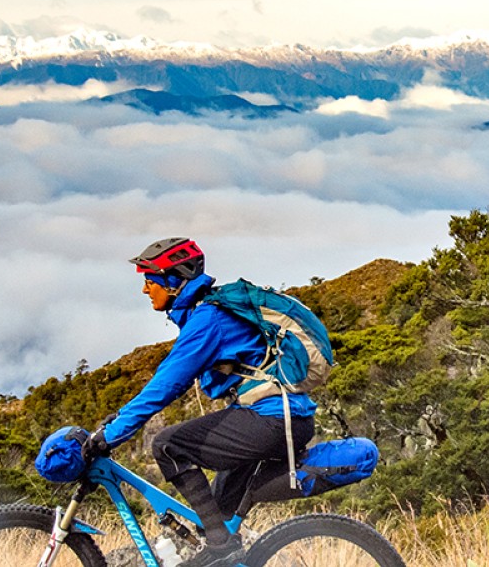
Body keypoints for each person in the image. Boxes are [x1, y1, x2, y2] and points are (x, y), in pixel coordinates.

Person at [83, 237, 316, 567]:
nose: (145, 290)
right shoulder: (204, 315)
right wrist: (119, 417)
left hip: (272, 421)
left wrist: (111, 435)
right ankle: (220, 549)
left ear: (174, 281)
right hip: (278, 418)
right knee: (216, 522)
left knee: (167, 446)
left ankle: (221, 546)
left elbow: (165, 386)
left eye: (150, 280)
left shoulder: (207, 321)